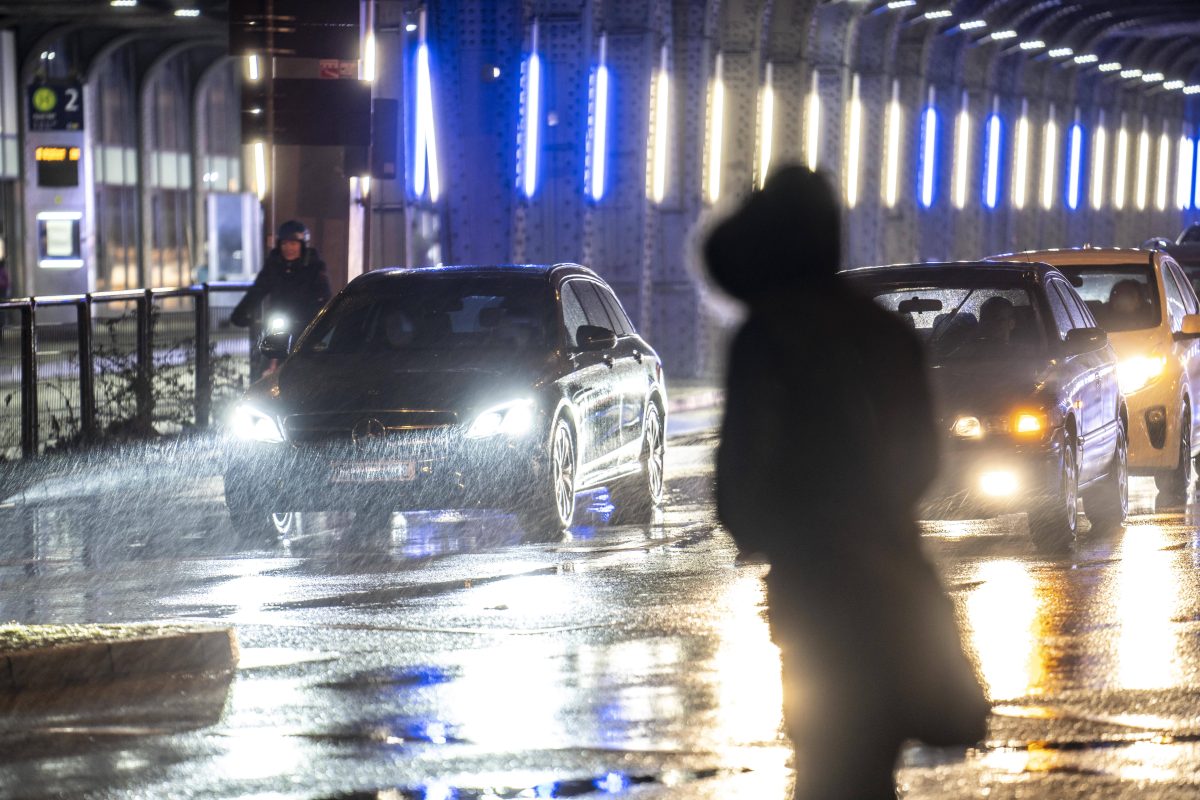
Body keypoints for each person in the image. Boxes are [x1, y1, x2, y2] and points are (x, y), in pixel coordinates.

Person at [703, 165, 988, 800]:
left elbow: (741, 472)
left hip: (812, 586)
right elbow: (922, 460)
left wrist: (777, 530)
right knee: (873, 759)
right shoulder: (883, 331)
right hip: (889, 574)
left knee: (827, 757)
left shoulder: (767, 335)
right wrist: (875, 509)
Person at [231, 220, 332, 377]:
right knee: (265, 363)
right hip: (279, 321)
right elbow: (259, 289)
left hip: (306, 324)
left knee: (307, 367)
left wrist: (319, 318)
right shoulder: (275, 264)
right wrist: (241, 312)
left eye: (293, 243)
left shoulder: (314, 266)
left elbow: (324, 296)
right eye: (284, 244)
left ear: (302, 245)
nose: (288, 248)